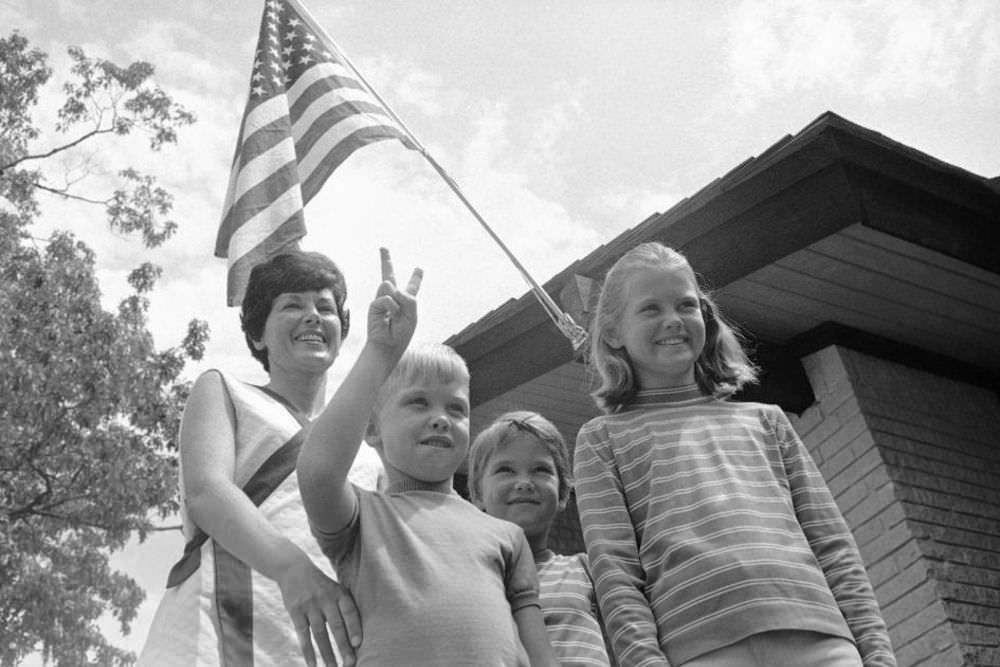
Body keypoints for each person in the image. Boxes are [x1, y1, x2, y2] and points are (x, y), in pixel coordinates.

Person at [573, 241, 896, 667]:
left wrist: (876, 652)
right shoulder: (601, 439)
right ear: (613, 332)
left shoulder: (768, 421)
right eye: (650, 309)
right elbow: (616, 572)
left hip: (821, 641)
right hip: (700, 651)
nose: (673, 320)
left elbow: (832, 544)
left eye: (686, 305)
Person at [297, 248, 557, 666]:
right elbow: (317, 472)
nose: (441, 419)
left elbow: (538, 651)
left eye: (456, 409)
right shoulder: (360, 520)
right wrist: (380, 352)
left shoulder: (506, 536)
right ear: (371, 428)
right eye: (419, 403)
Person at [140, 250, 382, 667]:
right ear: (257, 336)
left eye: (326, 307)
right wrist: (294, 569)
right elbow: (207, 492)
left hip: (322, 646)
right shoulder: (226, 391)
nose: (312, 316)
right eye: (292, 305)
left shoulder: (367, 455)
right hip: (211, 630)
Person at [468, 410, 613, 667]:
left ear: (563, 493)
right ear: (477, 494)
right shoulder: (466, 580)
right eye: (505, 470)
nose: (524, 482)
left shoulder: (587, 570)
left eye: (540, 470)